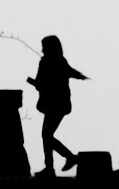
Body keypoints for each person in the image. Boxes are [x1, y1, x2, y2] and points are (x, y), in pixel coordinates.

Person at [30, 35, 87, 175]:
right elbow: (70, 73)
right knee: (47, 135)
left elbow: (40, 83)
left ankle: (63, 160)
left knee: (46, 135)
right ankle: (54, 165)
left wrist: (35, 83)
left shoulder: (45, 62)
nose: (42, 49)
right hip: (61, 104)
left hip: (53, 104)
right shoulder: (61, 61)